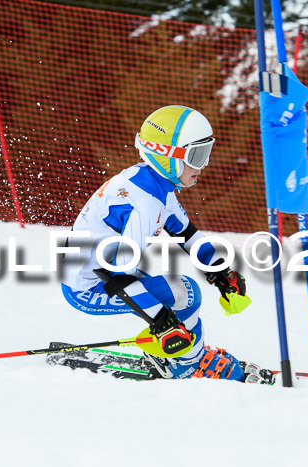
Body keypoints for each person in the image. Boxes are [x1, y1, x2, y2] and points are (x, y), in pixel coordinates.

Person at [61, 105, 252, 381]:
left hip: (107, 273)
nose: (204, 165)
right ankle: (188, 365)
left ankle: (185, 356)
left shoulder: (154, 183)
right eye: (197, 156)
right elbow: (118, 278)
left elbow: (186, 233)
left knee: (182, 294)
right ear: (167, 157)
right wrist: (162, 322)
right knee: (185, 295)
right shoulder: (144, 206)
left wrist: (220, 272)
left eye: (206, 154)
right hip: (88, 288)